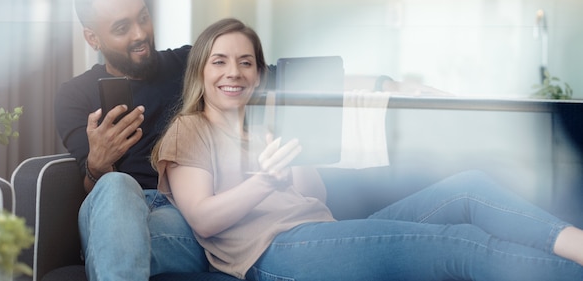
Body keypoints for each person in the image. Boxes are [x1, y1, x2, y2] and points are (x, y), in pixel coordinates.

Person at [151, 17, 583, 281]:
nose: (235, 73)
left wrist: (290, 160)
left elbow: (314, 196)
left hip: (320, 231)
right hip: (276, 254)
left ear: (259, 74)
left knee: (467, 189)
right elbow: (204, 220)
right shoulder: (189, 129)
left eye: (246, 62)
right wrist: (263, 183)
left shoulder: (262, 127)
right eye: (220, 61)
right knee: (461, 244)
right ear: (201, 71)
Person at [54, 0, 208, 281]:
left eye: (144, 18)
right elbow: (91, 185)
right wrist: (99, 166)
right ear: (92, 38)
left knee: (121, 241)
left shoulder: (190, 64)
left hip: (180, 212)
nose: (140, 34)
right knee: (116, 184)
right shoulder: (75, 95)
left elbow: (261, 75)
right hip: (113, 211)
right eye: (122, 28)